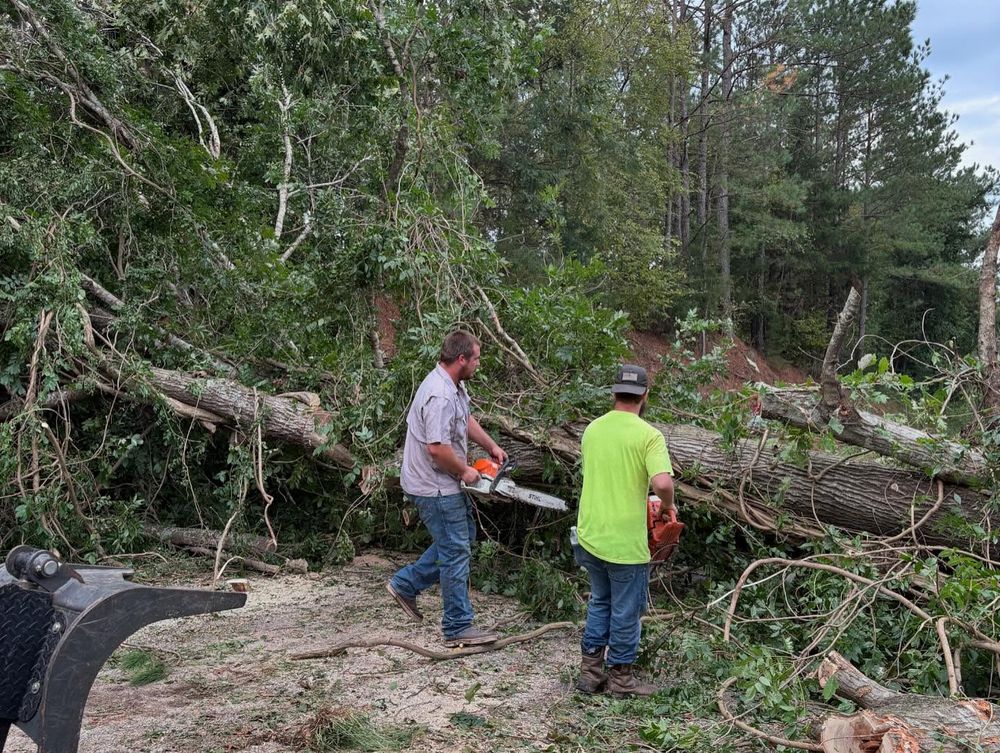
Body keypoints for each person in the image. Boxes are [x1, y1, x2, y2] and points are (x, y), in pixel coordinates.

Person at [387, 329, 507, 647]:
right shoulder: (438, 394)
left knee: (461, 536)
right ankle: (457, 626)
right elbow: (437, 449)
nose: (479, 364)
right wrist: (466, 471)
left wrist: (491, 446)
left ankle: (405, 584)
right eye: (477, 359)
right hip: (433, 483)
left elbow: (465, 420)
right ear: (461, 358)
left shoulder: (455, 386)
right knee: (456, 548)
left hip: (439, 479)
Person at [572, 364, 675, 697]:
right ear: (645, 395)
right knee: (626, 609)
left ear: (614, 393)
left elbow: (609, 477)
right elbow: (661, 482)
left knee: (600, 600)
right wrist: (667, 503)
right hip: (624, 543)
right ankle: (621, 679)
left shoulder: (592, 430)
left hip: (590, 535)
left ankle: (590, 672)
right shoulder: (649, 436)